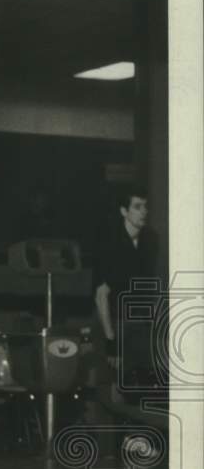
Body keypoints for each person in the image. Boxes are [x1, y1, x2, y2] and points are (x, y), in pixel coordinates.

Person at [91, 185, 163, 448]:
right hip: (110, 320)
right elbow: (102, 295)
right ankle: (107, 449)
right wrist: (111, 340)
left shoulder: (150, 241)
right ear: (124, 211)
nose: (144, 212)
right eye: (137, 207)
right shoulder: (109, 241)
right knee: (108, 385)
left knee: (139, 383)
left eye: (146, 206)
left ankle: (137, 441)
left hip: (137, 324)